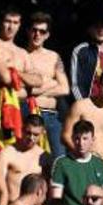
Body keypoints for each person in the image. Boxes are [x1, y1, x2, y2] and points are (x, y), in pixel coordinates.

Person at [61, 68, 103, 174]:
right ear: (99, 85)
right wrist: (85, 155)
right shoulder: (81, 106)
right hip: (82, 165)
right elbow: (66, 136)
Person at [23, 12, 70, 158]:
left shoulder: (53, 57)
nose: (37, 34)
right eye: (34, 30)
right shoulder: (21, 55)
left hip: (51, 116)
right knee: (30, 160)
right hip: (29, 114)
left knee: (59, 159)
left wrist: (36, 89)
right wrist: (51, 83)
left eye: (42, 31)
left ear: (47, 35)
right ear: (28, 31)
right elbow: (21, 89)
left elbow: (65, 88)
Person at [50, 120, 103, 205]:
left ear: (93, 139)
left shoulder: (100, 164)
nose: (81, 143)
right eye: (77, 138)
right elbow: (56, 199)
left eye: (85, 138)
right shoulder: (62, 163)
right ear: (72, 138)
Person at [68, 11, 103, 103]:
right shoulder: (82, 51)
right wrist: (85, 108)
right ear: (89, 29)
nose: (101, 30)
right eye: (96, 26)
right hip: (90, 108)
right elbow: (75, 85)